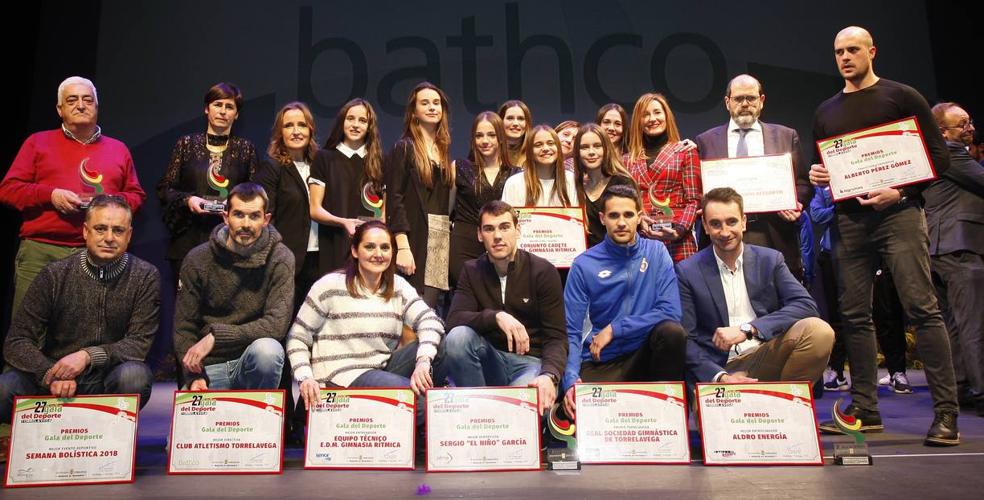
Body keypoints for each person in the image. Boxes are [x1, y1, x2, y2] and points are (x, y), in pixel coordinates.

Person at [809, 26, 959, 445]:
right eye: (838, 51)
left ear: (871, 51)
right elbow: (823, 165)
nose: (845, 57)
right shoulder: (826, 111)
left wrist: (903, 191)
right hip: (850, 221)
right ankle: (865, 410)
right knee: (854, 315)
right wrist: (817, 173)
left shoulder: (902, 97)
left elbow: (940, 157)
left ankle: (946, 413)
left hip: (900, 215)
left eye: (853, 49)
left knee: (922, 309)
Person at [1, 195, 157, 423]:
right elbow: (17, 341)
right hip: (55, 377)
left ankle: (106, 434)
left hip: (106, 378)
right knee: (5, 388)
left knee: (135, 377)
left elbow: (138, 343)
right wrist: (50, 373)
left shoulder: (145, 276)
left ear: (129, 235)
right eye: (100, 229)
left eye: (118, 230)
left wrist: (87, 356)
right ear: (85, 231)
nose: (109, 238)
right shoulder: (54, 275)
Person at [0, 76, 146, 317]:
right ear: (60, 109)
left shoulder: (118, 149)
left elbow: (136, 196)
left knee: (87, 327)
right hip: (41, 252)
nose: (80, 105)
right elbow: (8, 190)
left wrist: (107, 203)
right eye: (72, 100)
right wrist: (51, 195)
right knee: (29, 327)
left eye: (87, 100)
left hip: (97, 254)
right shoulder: (37, 142)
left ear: (96, 107)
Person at [287, 221, 444, 426]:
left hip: (381, 368)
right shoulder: (329, 286)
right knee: (423, 404)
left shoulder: (398, 286)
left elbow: (430, 321)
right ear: (355, 251)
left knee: (443, 344)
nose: (378, 254)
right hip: (340, 376)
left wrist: (423, 361)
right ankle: (407, 434)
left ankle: (415, 419)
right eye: (369, 247)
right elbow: (297, 338)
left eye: (385, 247)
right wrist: (305, 377)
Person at [678, 188, 833, 385]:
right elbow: (687, 340)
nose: (725, 232)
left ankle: (787, 401)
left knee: (819, 331)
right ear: (706, 227)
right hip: (716, 371)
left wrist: (749, 329)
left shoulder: (770, 259)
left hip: (763, 357)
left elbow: (806, 305)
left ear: (743, 222)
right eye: (715, 224)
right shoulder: (687, 271)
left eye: (731, 222)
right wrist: (721, 377)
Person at [561, 185, 686, 417]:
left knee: (672, 333)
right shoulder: (583, 264)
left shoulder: (657, 252)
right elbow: (572, 330)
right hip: (601, 361)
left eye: (628, 215)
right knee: (576, 417)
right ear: (602, 218)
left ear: (639, 217)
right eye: (614, 215)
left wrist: (616, 328)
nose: (621, 222)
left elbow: (671, 312)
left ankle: (667, 416)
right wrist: (570, 379)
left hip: (643, 355)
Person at [445, 201, 566, 415]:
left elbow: (556, 337)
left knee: (518, 408)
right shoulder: (472, 270)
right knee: (457, 337)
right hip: (491, 359)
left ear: (517, 230)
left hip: (532, 363)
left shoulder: (543, 271)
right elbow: (454, 320)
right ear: (479, 235)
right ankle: (478, 416)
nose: (497, 236)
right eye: (489, 229)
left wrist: (549, 375)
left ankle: (492, 417)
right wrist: (496, 317)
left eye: (504, 227)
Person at [173, 183, 294, 391]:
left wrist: (216, 337)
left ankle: (258, 411)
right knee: (191, 404)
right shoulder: (197, 259)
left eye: (254, 216)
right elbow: (184, 326)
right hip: (209, 368)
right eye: (238, 215)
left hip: (252, 363)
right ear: (225, 217)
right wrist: (194, 376)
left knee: (268, 350)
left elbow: (276, 325)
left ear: (266, 220)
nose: (246, 224)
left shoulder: (281, 258)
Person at [694, 74, 812, 281]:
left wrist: (796, 203)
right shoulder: (705, 141)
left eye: (751, 98)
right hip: (724, 234)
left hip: (773, 231)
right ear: (727, 102)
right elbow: (697, 188)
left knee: (776, 294)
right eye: (739, 99)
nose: (745, 104)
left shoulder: (785, 136)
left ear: (761, 101)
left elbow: (802, 183)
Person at [157, 82, 257, 286]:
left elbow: (255, 194)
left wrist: (235, 205)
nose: (223, 111)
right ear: (206, 109)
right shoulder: (186, 144)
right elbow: (165, 188)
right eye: (217, 104)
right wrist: (188, 200)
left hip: (231, 242)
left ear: (237, 114)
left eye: (229, 107)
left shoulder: (246, 149)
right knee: (187, 301)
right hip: (188, 239)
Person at [928, 102, 984, 416]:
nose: (970, 128)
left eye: (969, 121)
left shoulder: (933, 157)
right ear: (943, 132)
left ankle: (961, 388)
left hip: (938, 250)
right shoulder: (951, 154)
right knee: (974, 324)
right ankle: (982, 391)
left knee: (953, 325)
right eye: (962, 124)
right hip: (959, 248)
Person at [385, 82, 454, 308]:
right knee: (411, 309)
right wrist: (402, 246)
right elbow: (395, 199)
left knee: (430, 310)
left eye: (436, 103)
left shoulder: (443, 150)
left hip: (439, 237)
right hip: (414, 239)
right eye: (425, 103)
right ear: (414, 112)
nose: (432, 107)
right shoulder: (404, 148)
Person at [255, 102, 322, 313]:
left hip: (320, 258)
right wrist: (275, 257)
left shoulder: (320, 165)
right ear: (279, 132)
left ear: (310, 129)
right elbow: (266, 219)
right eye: (288, 125)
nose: (296, 131)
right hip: (288, 260)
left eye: (301, 125)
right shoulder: (272, 167)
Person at [308, 98, 385, 273]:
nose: (355, 125)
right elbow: (315, 209)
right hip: (334, 245)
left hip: (370, 248)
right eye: (350, 119)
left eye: (362, 120)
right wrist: (343, 222)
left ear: (370, 126)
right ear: (342, 121)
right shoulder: (324, 158)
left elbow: (383, 214)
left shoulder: (379, 161)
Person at [624, 92, 702, 262]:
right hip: (643, 239)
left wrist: (679, 230)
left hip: (679, 242)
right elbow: (627, 202)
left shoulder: (685, 152)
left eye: (657, 112)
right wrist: (639, 220)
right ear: (638, 121)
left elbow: (694, 200)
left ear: (667, 116)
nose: (652, 119)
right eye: (645, 114)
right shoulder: (627, 160)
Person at [450, 112, 520, 286]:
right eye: (479, 136)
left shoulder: (516, 173)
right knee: (467, 293)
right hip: (464, 244)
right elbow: (446, 210)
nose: (485, 141)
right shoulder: (459, 167)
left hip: (500, 243)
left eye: (491, 135)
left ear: (501, 138)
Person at [572, 123, 636, 247]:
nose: (591, 152)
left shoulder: (622, 182)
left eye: (597, 146)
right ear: (577, 152)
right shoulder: (574, 185)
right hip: (586, 256)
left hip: (618, 254)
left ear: (606, 149)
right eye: (584, 147)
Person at [501, 124, 579, 208]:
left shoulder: (571, 179)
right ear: (530, 151)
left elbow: (577, 215)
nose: (545, 148)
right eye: (538, 145)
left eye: (550, 143)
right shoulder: (514, 183)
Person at [498, 100, 532, 168]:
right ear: (500, 121)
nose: (515, 123)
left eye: (521, 119)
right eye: (510, 118)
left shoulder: (534, 153)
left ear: (527, 123)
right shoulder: (490, 153)